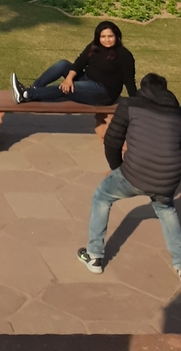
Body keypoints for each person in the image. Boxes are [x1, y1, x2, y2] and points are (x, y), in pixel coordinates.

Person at [77, 73, 181, 277]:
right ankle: (180, 262)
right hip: (167, 178)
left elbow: (112, 140)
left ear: (143, 89)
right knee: (166, 209)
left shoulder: (129, 105)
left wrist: (118, 168)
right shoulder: (177, 114)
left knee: (102, 197)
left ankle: (94, 255)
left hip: (134, 172)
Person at [11, 21, 136, 106]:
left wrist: (136, 102)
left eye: (110, 36)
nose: (107, 40)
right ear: (98, 37)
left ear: (117, 36)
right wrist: (69, 78)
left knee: (66, 88)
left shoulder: (124, 55)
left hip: (104, 93)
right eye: (103, 37)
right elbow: (79, 63)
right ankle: (35, 87)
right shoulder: (94, 47)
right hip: (87, 79)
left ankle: (26, 95)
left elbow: (129, 80)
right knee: (63, 64)